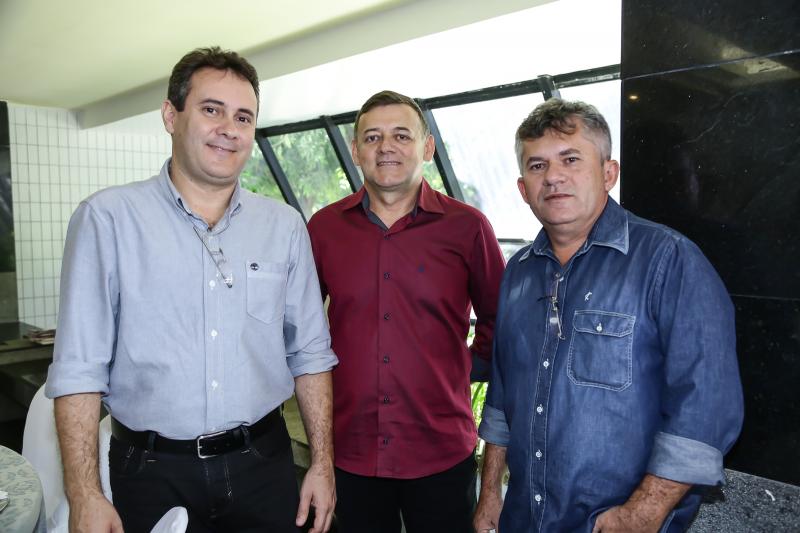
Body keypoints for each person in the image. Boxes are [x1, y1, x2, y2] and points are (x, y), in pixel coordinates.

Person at [46, 46, 338, 533]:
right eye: (211, 110)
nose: (229, 128)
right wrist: (84, 495)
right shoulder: (107, 220)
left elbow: (310, 354)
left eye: (243, 117)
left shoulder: (284, 226)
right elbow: (78, 369)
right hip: (150, 473)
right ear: (170, 116)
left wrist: (322, 465)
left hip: (264, 466)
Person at [473, 98, 743, 532]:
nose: (553, 176)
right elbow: (503, 399)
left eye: (571, 159)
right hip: (525, 518)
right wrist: (490, 493)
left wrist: (642, 514)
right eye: (538, 165)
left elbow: (706, 406)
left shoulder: (669, 261)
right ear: (523, 188)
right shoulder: (518, 273)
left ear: (608, 173)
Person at [306, 90, 506, 532]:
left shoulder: (468, 227)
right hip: (352, 449)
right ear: (355, 150)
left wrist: (466, 366)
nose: (386, 147)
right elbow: (299, 325)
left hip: (441, 449)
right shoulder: (324, 228)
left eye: (401, 135)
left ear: (427, 147)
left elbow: (501, 319)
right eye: (372, 137)